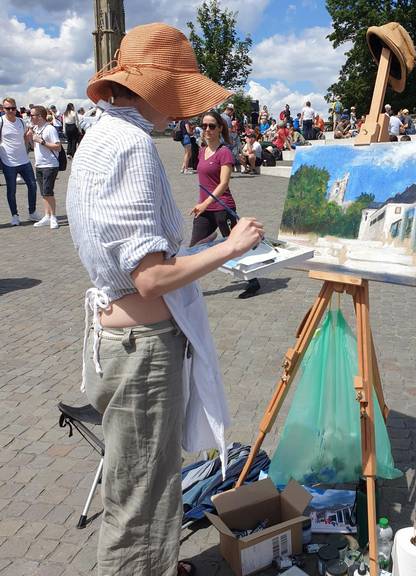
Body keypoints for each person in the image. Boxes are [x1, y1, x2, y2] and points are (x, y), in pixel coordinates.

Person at [66, 23, 264, 576]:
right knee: (141, 493)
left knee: (143, 480)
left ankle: (157, 563)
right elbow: (151, 277)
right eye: (177, 92)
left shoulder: (98, 135)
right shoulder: (130, 144)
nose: (180, 109)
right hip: (140, 346)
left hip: (119, 338)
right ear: (153, 87)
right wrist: (230, 247)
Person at [191, 110, 261, 297]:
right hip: (204, 209)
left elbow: (223, 184)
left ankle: (253, 281)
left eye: (211, 126)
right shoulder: (202, 151)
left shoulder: (224, 152)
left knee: (236, 248)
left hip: (223, 208)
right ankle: (185, 288)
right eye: (204, 126)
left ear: (220, 128)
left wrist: (205, 203)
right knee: (193, 249)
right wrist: (202, 205)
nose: (207, 129)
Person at [0, 97, 40, 226]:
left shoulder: (21, 122)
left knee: (33, 185)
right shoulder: (1, 122)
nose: (11, 111)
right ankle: (14, 215)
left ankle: (32, 211)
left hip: (24, 160)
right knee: (11, 190)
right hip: (8, 162)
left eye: (13, 108)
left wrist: (29, 137)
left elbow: (25, 139)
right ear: (3, 109)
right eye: (8, 108)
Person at [29, 105, 62, 228]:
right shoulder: (36, 128)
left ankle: (53, 217)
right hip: (39, 164)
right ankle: (47, 216)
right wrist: (31, 138)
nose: (30, 117)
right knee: (44, 192)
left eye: (32, 115)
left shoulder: (50, 129)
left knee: (48, 192)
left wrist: (41, 141)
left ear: (40, 116)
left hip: (50, 164)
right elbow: (34, 147)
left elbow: (58, 147)